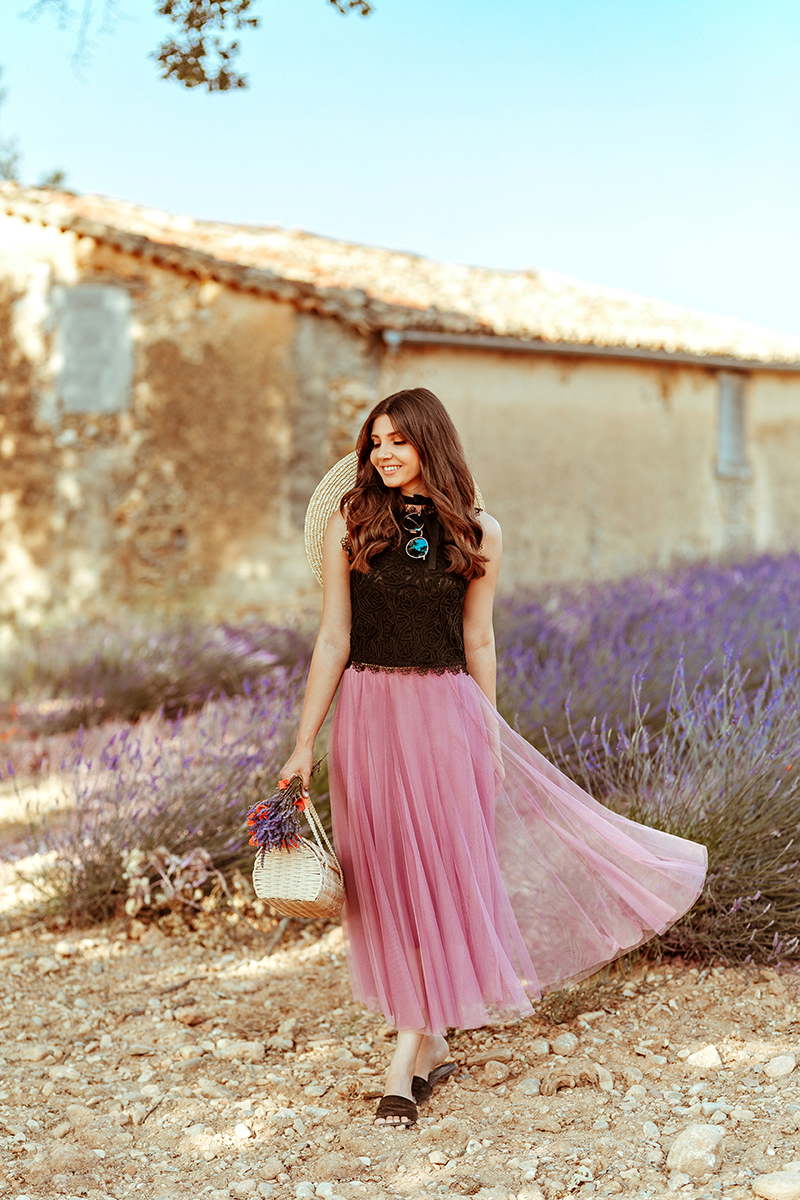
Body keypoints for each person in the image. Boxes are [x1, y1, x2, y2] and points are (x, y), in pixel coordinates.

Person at [281, 386, 707, 1128]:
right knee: (387, 878)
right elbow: (332, 639)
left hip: (446, 718)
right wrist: (301, 743)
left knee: (437, 873)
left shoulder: (480, 533)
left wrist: (489, 734)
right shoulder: (349, 524)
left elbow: (479, 640)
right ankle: (433, 1040)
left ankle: (399, 1071)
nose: (382, 452)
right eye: (374, 440)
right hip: (369, 720)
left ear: (429, 444)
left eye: (398, 440)